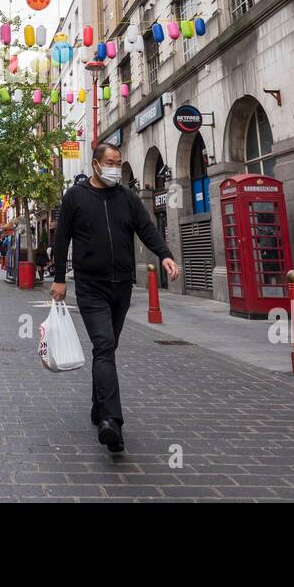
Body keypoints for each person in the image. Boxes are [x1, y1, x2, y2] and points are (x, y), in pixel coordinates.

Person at [52, 142, 179, 454]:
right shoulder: (75, 197)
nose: (115, 168)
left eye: (119, 163)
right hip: (90, 285)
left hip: (121, 285)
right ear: (95, 164)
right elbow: (61, 238)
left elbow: (146, 228)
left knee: (106, 348)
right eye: (110, 162)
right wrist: (58, 279)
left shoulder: (127, 198)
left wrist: (164, 254)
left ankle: (99, 406)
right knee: (105, 345)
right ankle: (111, 421)